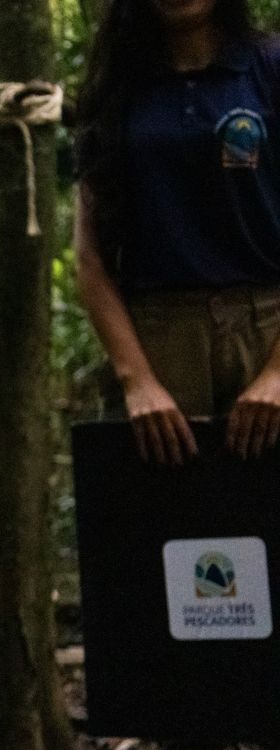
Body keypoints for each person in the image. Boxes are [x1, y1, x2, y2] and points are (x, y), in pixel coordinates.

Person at [74, 0, 280, 466]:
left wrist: (277, 373)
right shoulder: (114, 88)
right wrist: (138, 381)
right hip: (159, 337)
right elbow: (90, 258)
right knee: (169, 527)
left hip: (268, 328)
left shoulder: (268, 69)